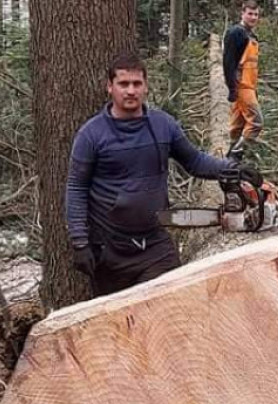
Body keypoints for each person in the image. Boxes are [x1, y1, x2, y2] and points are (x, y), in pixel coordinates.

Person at [66, 52, 259, 297]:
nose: (130, 91)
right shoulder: (91, 135)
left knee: (174, 303)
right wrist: (80, 242)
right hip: (109, 250)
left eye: (137, 84)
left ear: (146, 86)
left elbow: (195, 162)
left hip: (155, 244)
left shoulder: (163, 125)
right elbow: (76, 188)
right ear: (109, 87)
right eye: (123, 84)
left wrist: (232, 169)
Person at [223, 1, 263, 160]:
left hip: (249, 86)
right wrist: (232, 88)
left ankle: (229, 163)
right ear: (243, 14)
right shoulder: (236, 33)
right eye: (250, 14)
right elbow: (228, 62)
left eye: (256, 14)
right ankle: (236, 155)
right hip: (241, 87)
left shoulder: (251, 36)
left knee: (237, 127)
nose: (253, 17)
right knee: (256, 123)